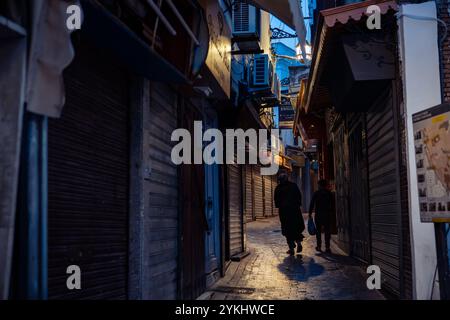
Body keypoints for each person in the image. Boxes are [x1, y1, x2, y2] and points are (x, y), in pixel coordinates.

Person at [274, 171, 305, 255]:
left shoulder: (278, 188)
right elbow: (299, 196)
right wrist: (297, 205)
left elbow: (276, 201)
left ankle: (291, 248)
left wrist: (281, 205)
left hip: (284, 212)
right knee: (296, 228)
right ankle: (298, 243)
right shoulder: (293, 186)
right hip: (295, 211)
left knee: (287, 229)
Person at [309, 179, 333, 253]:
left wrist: (310, 213)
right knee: (327, 231)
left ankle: (319, 246)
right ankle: (327, 247)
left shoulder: (316, 193)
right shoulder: (329, 193)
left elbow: (312, 203)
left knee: (318, 231)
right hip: (327, 214)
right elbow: (331, 204)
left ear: (320, 185)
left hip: (319, 214)